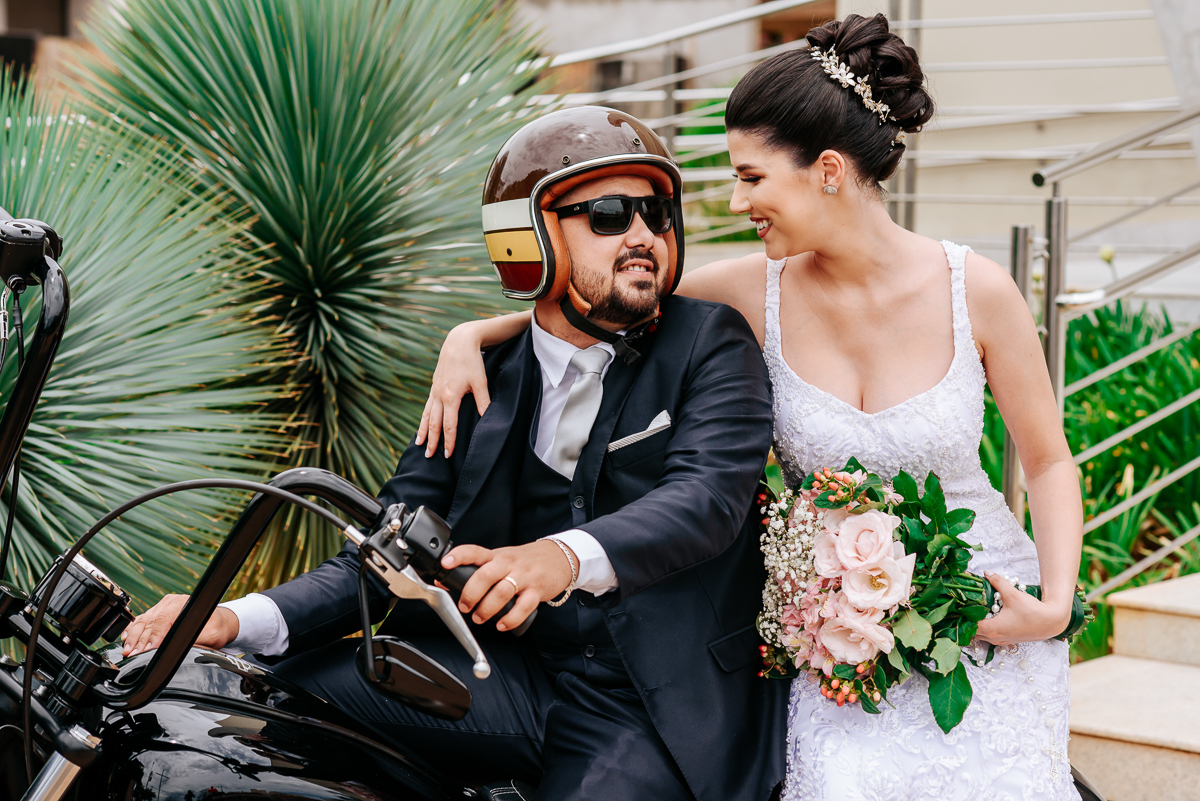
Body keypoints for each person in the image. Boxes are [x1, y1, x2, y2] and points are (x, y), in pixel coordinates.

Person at [417, 14, 1084, 801]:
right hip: (834, 639)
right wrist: (474, 334)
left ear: (828, 170)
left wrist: (1054, 605)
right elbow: (602, 297)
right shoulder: (748, 292)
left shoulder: (977, 292)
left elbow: (1046, 459)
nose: (737, 202)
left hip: (984, 615)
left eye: (752, 176)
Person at [121, 106, 788, 801]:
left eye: (656, 212)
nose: (646, 234)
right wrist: (231, 617)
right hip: (501, 675)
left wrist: (561, 554)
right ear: (529, 237)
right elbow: (388, 545)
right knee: (251, 703)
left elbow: (706, 499)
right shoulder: (480, 375)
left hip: (652, 701)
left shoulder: (710, 342)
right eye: (613, 214)